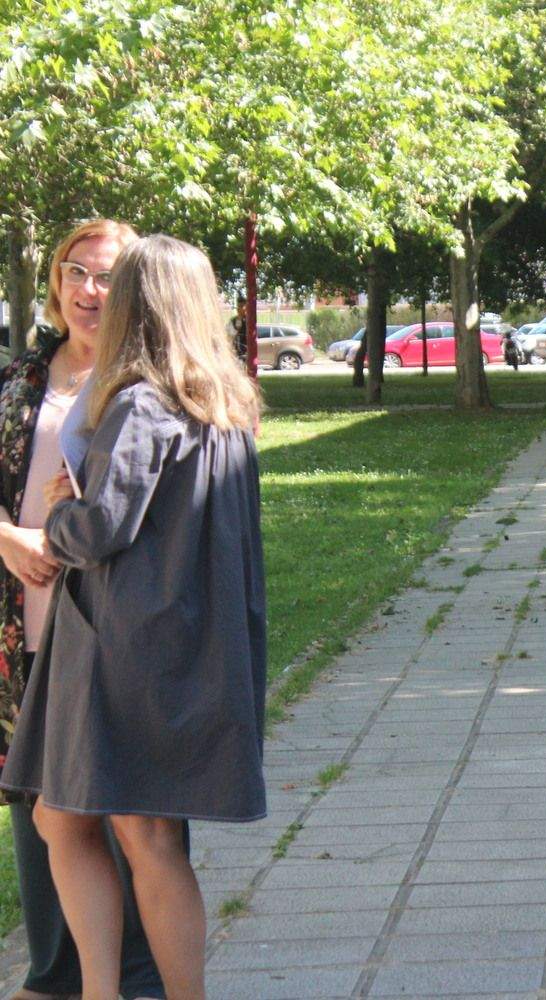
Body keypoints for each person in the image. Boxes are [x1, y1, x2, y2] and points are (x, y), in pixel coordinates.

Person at [0, 234, 268, 1000]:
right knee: (73, 819)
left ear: (134, 305)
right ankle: (103, 990)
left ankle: (120, 992)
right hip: (190, 639)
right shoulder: (226, 405)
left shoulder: (142, 405)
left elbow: (98, 529)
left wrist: (61, 512)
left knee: (131, 832)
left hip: (124, 645)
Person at [0, 220, 170, 1000]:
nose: (90, 291)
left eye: (108, 276)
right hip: (27, 624)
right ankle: (54, 973)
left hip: (115, 629)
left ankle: (141, 977)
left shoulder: (151, 384)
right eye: (76, 272)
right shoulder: (20, 380)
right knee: (39, 804)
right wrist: (8, 539)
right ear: (56, 279)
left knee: (133, 812)